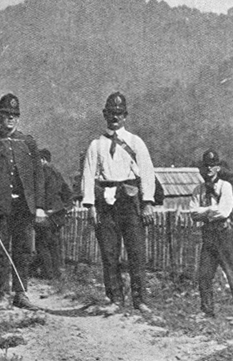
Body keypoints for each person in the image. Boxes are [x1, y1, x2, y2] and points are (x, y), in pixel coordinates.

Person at [80, 92, 156, 314]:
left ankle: (139, 299)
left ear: (125, 116)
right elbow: (88, 175)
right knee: (109, 252)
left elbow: (148, 173)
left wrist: (147, 202)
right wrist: (90, 205)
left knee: (136, 252)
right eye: (111, 113)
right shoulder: (96, 145)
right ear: (105, 115)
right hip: (106, 202)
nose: (115, 117)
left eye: (119, 114)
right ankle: (115, 298)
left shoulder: (135, 142)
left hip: (130, 200)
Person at [0, 93, 45, 310]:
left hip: (23, 207)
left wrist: (38, 206)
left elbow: (38, 175)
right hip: (1, 207)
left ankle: (21, 293)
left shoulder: (27, 143)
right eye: (6, 115)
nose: (10, 119)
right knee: (1, 250)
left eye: (14, 115)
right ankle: (3, 294)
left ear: (18, 118)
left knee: (23, 250)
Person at [189, 150, 233, 324]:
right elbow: (193, 213)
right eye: (206, 165)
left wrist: (204, 211)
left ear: (218, 167)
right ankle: (207, 310)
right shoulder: (198, 189)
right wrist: (210, 211)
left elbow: (224, 212)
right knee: (204, 274)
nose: (208, 169)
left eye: (212, 165)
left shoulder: (225, 186)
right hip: (208, 234)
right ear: (201, 167)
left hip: (224, 234)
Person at [32, 148, 72, 281]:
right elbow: (67, 192)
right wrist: (65, 207)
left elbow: (47, 193)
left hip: (47, 213)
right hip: (57, 214)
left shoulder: (43, 172)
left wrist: (44, 209)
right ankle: (57, 272)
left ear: (42, 159)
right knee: (54, 243)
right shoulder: (57, 172)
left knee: (43, 243)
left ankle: (48, 273)